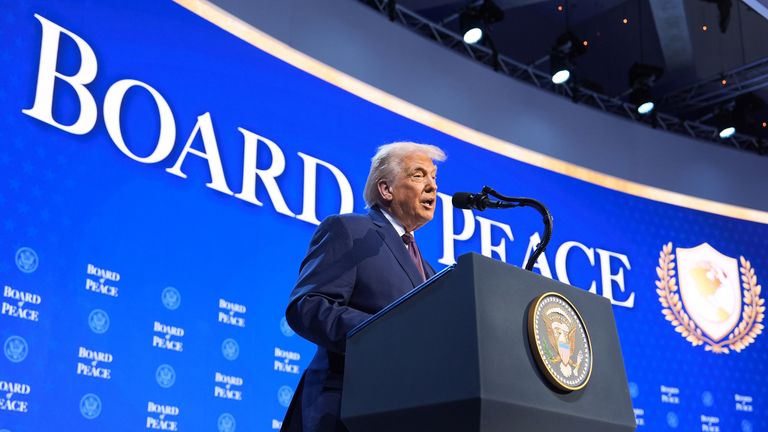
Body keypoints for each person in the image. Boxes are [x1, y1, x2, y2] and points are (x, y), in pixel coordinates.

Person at [281, 142, 446, 432]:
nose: (432, 186)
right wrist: (384, 333)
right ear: (386, 189)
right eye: (419, 175)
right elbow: (308, 305)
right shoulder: (351, 231)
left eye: (434, 177)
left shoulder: (430, 272)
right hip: (342, 410)